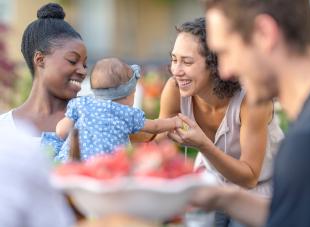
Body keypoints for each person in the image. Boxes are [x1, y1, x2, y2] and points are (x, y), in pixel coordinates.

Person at [187, 0, 310, 227]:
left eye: (226, 52)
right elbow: (296, 213)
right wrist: (224, 197)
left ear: (264, 33)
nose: (224, 71)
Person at [159, 17, 283, 226]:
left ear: (215, 64)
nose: (176, 70)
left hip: (259, 191)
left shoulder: (252, 98)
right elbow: (158, 142)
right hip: (211, 182)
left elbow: (249, 177)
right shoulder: (175, 89)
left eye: (187, 62)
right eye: (174, 59)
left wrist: (203, 145)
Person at [49, 57, 181, 161]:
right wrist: (175, 122)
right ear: (127, 96)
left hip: (72, 161)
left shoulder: (82, 103)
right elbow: (156, 126)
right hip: (107, 167)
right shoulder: (126, 113)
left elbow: (61, 131)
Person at [0, 2, 87, 151]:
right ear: (40, 59)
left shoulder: (94, 118)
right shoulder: (4, 129)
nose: (83, 71)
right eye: (73, 61)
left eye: (84, 64)